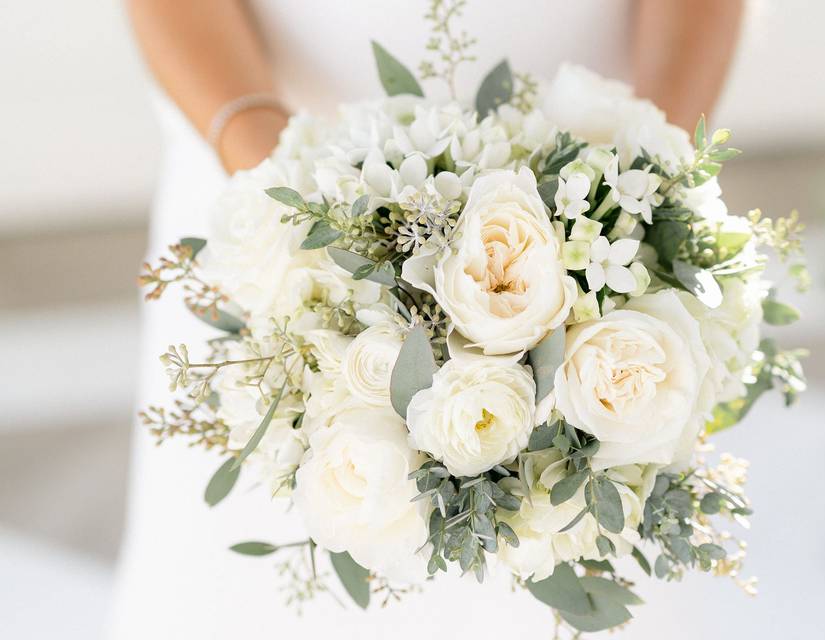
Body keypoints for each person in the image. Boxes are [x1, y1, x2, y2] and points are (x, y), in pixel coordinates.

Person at [110, 2, 744, 638]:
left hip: (593, 191)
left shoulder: (619, 211)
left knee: (573, 513)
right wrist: (289, 188)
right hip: (276, 194)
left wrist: (640, 183)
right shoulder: (285, 199)